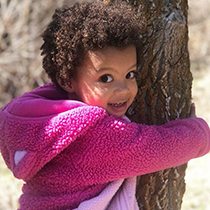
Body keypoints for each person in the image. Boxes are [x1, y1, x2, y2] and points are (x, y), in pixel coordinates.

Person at [0, 2, 209, 210]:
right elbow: (156, 148)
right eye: (106, 78)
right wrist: (199, 134)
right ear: (67, 81)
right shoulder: (90, 137)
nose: (123, 89)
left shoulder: (38, 120)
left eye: (130, 75)